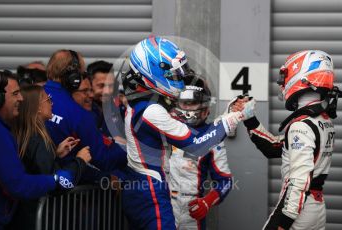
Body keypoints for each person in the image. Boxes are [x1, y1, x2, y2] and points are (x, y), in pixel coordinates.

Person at [121, 36, 254, 229]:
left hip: (171, 198)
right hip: (150, 188)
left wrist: (228, 114)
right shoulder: (151, 110)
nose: (180, 80)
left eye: (196, 102)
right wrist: (233, 117)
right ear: (153, 71)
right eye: (174, 75)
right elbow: (197, 143)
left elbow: (222, 175)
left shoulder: (144, 104)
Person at [232, 50, 337, 230]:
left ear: (302, 76)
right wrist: (249, 118)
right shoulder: (321, 119)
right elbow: (274, 147)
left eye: (285, 76)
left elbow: (298, 181)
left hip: (299, 210)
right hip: (315, 207)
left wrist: (283, 223)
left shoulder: (301, 125)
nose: (283, 82)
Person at [0, 70, 74, 229]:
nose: (21, 98)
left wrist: (55, 155)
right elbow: (18, 184)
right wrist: (55, 179)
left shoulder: (5, 130)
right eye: (15, 93)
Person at [10, 85, 92, 230]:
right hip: (34, 218)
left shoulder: (25, 136)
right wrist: (80, 160)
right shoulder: (36, 139)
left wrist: (55, 153)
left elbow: (35, 168)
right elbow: (57, 183)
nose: (52, 103)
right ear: (38, 108)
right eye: (48, 99)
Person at [44, 49, 127, 179]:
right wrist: (127, 145)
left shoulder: (30, 97)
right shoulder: (78, 113)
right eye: (81, 74)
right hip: (65, 187)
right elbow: (103, 160)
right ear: (74, 78)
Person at [169, 75, 232, 230]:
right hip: (162, 204)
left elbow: (225, 181)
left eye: (193, 103)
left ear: (206, 107)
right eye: (185, 103)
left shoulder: (213, 136)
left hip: (191, 209)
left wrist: (207, 201)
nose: (189, 108)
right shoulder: (165, 127)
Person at [87, 60, 126, 144]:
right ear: (89, 84)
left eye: (110, 85)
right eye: (101, 86)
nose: (107, 91)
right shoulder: (82, 108)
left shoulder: (124, 106)